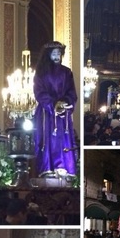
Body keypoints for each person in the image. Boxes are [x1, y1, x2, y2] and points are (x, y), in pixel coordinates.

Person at [33, 41, 78, 178]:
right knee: (48, 140)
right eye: (54, 53)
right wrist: (53, 104)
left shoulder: (67, 72)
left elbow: (71, 91)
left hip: (63, 114)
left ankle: (65, 168)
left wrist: (65, 102)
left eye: (59, 53)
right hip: (47, 113)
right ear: (48, 55)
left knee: (63, 140)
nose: (57, 55)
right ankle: (48, 168)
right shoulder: (41, 73)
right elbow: (39, 92)